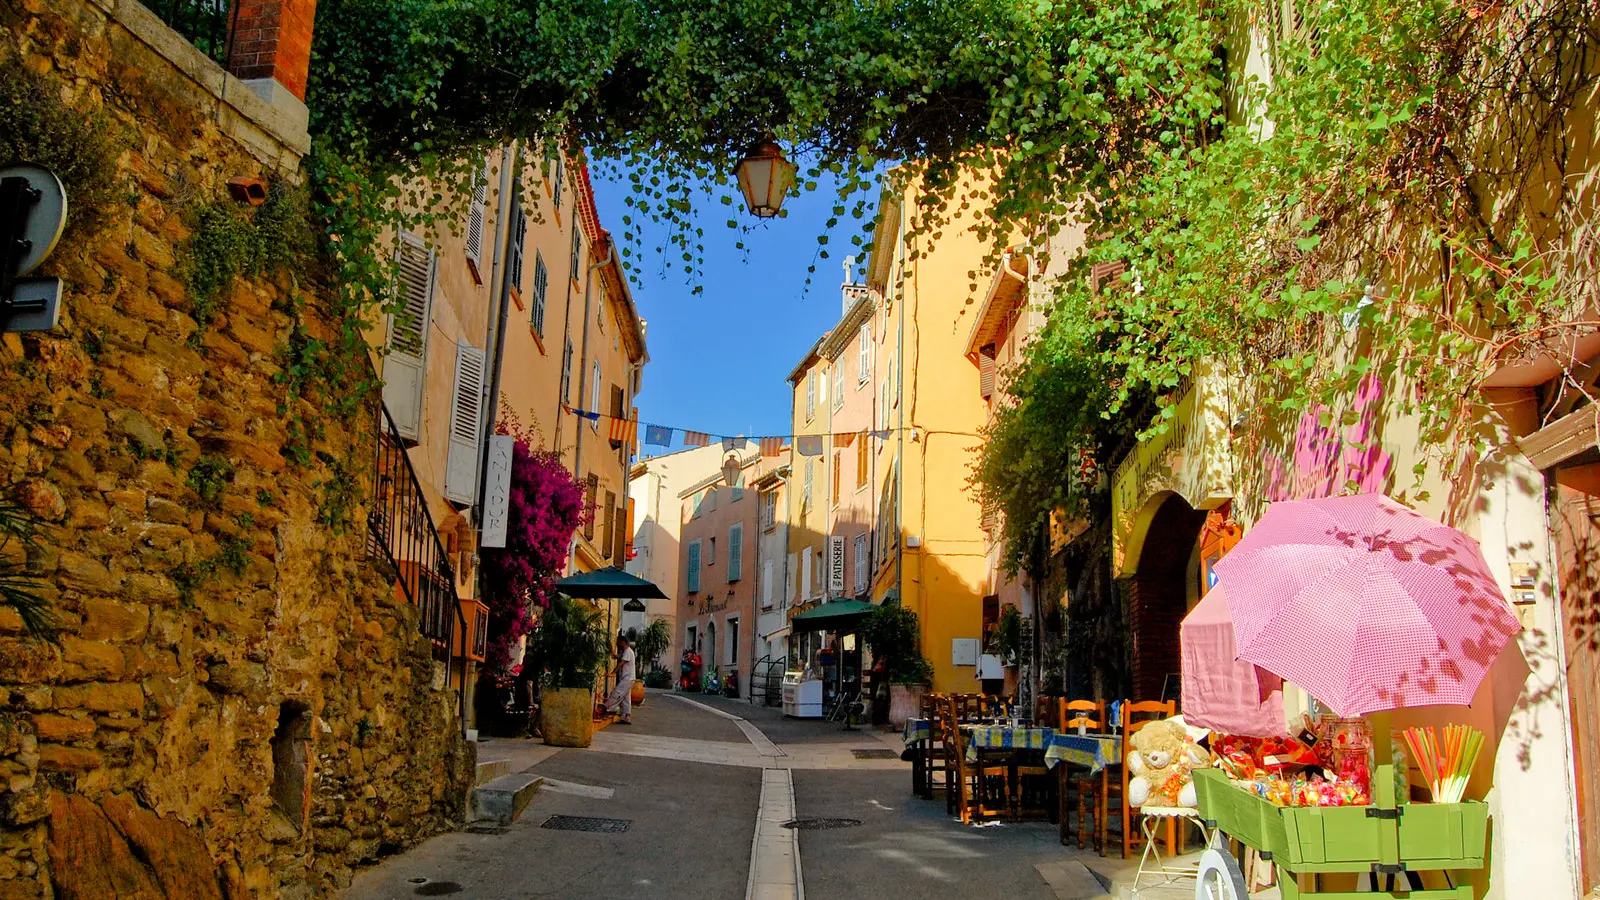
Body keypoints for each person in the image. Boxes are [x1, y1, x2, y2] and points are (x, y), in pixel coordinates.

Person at [604, 634, 636, 724]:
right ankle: (627, 717)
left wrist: (612, 672)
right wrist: (610, 650)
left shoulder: (627, 651)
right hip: (629, 679)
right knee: (626, 699)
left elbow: (621, 663)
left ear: (622, 642)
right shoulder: (627, 652)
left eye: (618, 642)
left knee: (616, 693)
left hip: (627, 679)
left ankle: (605, 708)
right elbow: (616, 657)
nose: (617, 644)